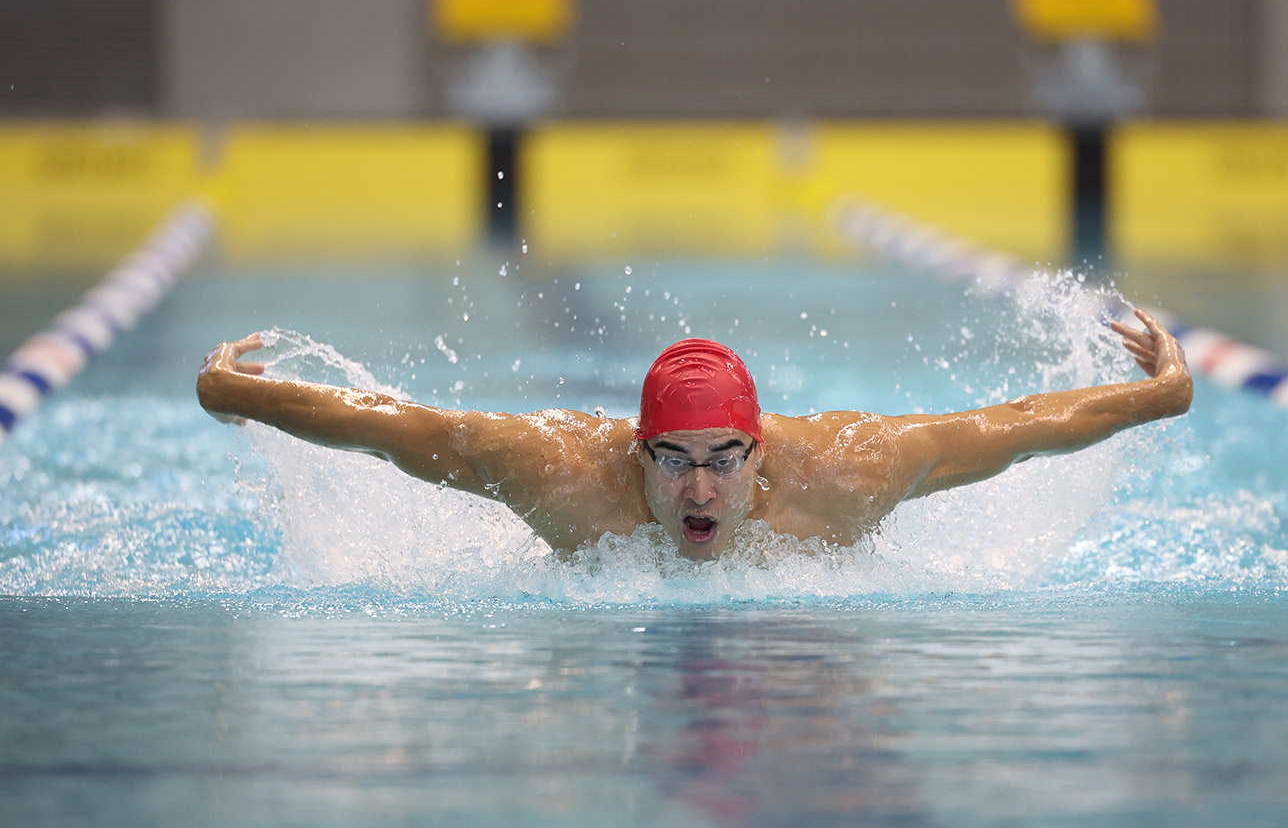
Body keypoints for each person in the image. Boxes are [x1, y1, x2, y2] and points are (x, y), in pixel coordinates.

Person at [197, 308, 1190, 560]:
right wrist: (232, 394)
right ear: (638, 454)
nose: (697, 491)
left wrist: (1157, 394)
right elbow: (397, 428)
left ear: (759, 456)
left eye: (722, 462)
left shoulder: (846, 474)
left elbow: (1011, 429)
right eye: (672, 463)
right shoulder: (561, 477)